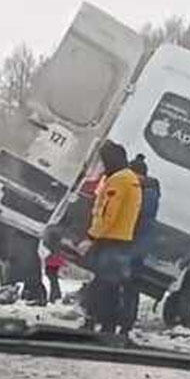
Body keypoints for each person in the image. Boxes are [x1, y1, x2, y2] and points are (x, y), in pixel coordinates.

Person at [80, 141, 143, 334]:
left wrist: (91, 236)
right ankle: (108, 324)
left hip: (110, 240)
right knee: (111, 286)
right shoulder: (130, 179)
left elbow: (108, 213)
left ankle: (100, 323)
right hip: (123, 240)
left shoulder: (118, 180)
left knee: (103, 286)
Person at [119, 154, 161, 335]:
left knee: (128, 286)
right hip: (135, 246)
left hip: (134, 247)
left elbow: (138, 217)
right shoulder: (148, 190)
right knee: (127, 286)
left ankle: (125, 323)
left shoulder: (146, 193)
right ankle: (123, 322)